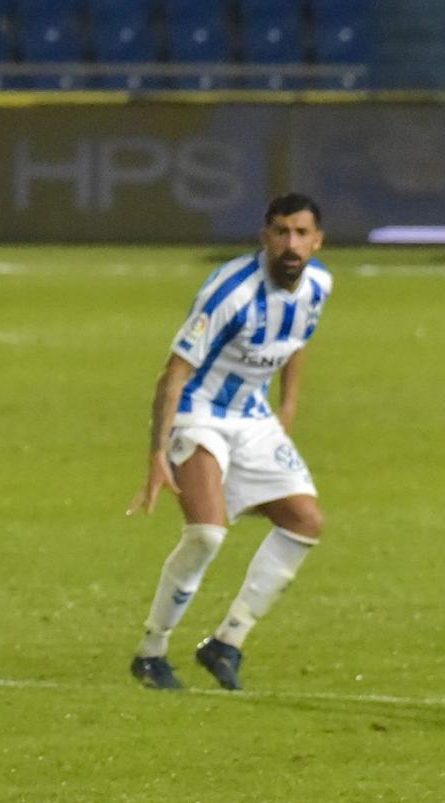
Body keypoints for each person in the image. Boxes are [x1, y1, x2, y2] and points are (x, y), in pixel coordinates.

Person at [126, 192, 333, 692]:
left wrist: (287, 408)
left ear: (317, 240)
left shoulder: (319, 284)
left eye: (301, 234)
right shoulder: (231, 294)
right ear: (265, 236)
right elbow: (173, 376)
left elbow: (297, 340)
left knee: (305, 521)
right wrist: (157, 453)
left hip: (252, 415)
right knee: (207, 534)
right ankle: (152, 651)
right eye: (281, 232)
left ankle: (227, 642)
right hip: (197, 413)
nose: (291, 244)